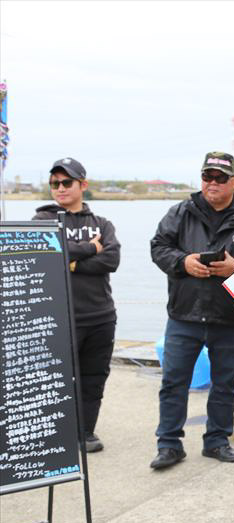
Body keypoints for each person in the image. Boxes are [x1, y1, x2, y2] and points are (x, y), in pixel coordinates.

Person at [149, 151, 234, 470]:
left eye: (220, 177)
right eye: (207, 176)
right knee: (173, 382)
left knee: (226, 384)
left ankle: (217, 440)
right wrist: (183, 262)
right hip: (184, 315)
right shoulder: (180, 213)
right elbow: (158, 247)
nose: (212, 183)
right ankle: (168, 444)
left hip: (231, 319)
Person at [33, 157, 120, 453]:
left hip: (100, 316)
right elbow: (44, 253)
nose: (60, 188)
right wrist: (90, 248)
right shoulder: (42, 221)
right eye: (54, 183)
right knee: (55, 379)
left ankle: (86, 432)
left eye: (66, 182)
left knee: (93, 378)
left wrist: (71, 262)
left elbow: (111, 260)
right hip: (57, 317)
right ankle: (56, 433)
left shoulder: (102, 223)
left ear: (83, 185)